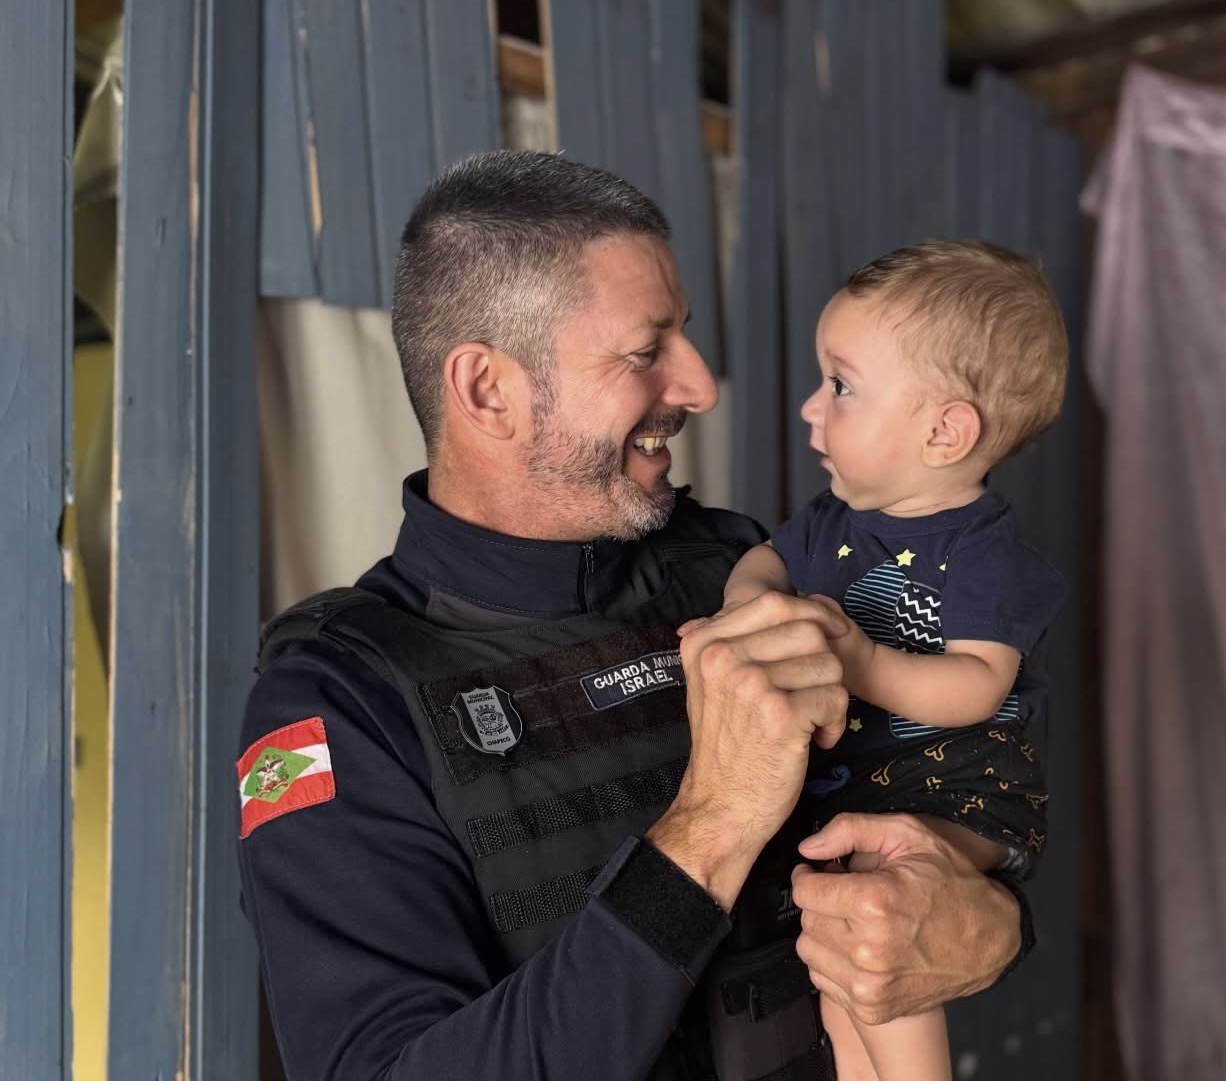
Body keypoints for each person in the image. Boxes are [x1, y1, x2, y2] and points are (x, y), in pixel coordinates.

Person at [236, 151, 1033, 1081]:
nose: (699, 386)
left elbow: (943, 810)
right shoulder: (340, 706)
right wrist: (715, 819)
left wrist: (994, 924)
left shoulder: (737, 568)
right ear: (489, 389)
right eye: (647, 350)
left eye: (683, 340)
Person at [682, 241, 1067, 1081]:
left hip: (959, 788)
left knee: (873, 927)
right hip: (864, 789)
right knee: (835, 976)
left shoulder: (981, 555)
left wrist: (860, 663)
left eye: (841, 386)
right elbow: (762, 566)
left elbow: (977, 686)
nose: (810, 407)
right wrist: (751, 614)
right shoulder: (831, 516)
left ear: (944, 430)